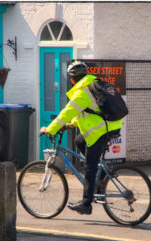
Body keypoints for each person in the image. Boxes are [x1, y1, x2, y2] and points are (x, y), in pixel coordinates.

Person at [40, 61, 122, 214]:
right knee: (79, 141)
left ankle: (86, 204)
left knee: (90, 167)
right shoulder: (93, 84)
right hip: (111, 125)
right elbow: (90, 111)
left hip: (101, 130)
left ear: (72, 80)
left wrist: (50, 130)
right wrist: (73, 123)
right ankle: (102, 176)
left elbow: (67, 112)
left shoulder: (82, 92)